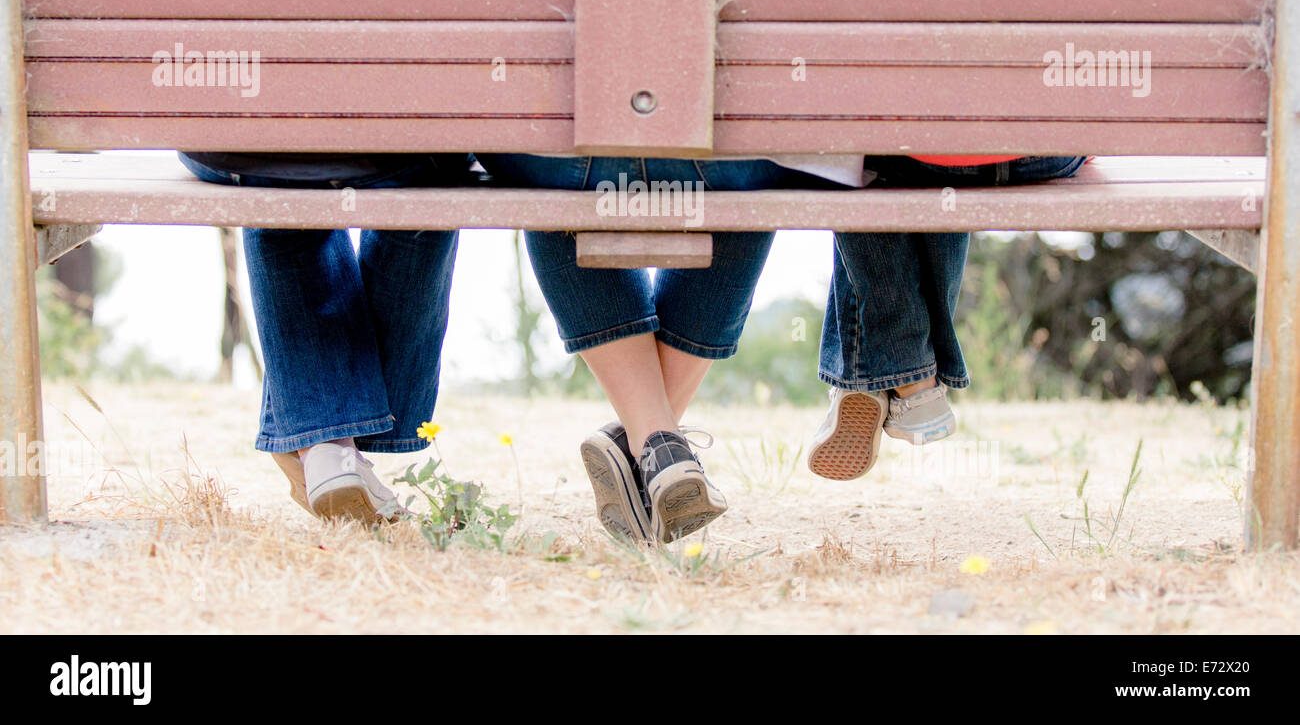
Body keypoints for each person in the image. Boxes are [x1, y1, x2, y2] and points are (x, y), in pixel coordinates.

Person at [476, 154, 860, 544]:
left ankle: (649, 440)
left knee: (548, 160)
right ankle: (658, 449)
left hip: (559, 164)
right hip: (726, 165)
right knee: (752, 155)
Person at [178, 151, 472, 522]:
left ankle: (326, 445)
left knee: (276, 159)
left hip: (232, 145)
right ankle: (329, 441)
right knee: (427, 171)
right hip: (401, 148)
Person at [807, 155, 1090, 480]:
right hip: (1043, 157)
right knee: (927, 151)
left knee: (853, 159)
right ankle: (901, 384)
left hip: (926, 154)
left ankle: (901, 376)